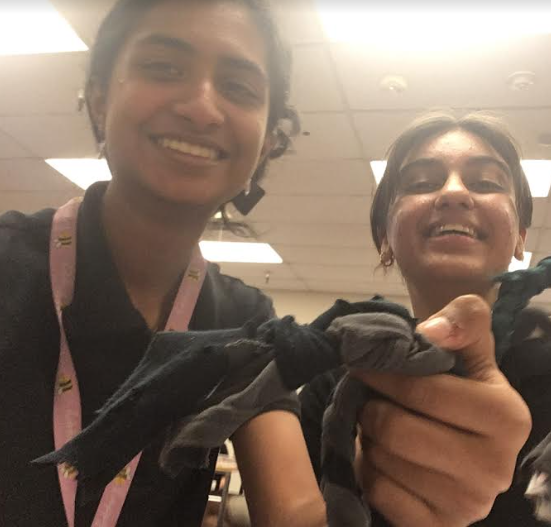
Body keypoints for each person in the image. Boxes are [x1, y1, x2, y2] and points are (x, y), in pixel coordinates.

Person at [0, 1, 325, 526]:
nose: (201, 108)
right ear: (100, 98)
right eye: (164, 68)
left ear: (267, 142)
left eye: (238, 87)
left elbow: (297, 512)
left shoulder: (243, 319)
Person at [299, 111, 551, 526]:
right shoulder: (333, 380)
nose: (454, 193)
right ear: (385, 238)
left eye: (487, 182)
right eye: (420, 183)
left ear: (520, 237)